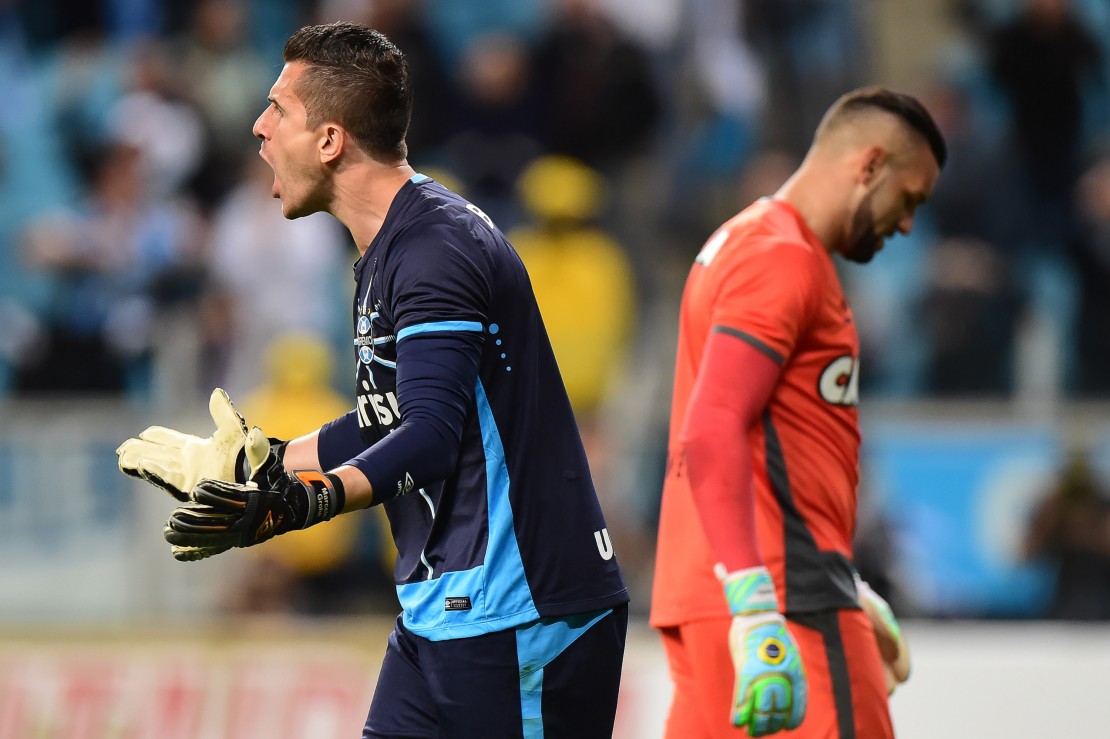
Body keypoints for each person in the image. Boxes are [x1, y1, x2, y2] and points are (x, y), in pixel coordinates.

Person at [115, 22, 629, 738]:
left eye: (279, 110)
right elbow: (389, 416)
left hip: (520, 612)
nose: (259, 127)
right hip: (444, 615)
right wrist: (254, 458)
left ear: (330, 140)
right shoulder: (393, 245)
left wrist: (303, 503)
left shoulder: (434, 249)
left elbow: (429, 438)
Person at [650, 86, 945, 738]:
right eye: (910, 199)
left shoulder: (741, 243)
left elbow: (764, 443)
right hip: (790, 612)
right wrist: (763, 607)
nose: (906, 225)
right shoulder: (782, 259)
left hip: (715, 600)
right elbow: (713, 426)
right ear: (867, 166)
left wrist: (847, 585)